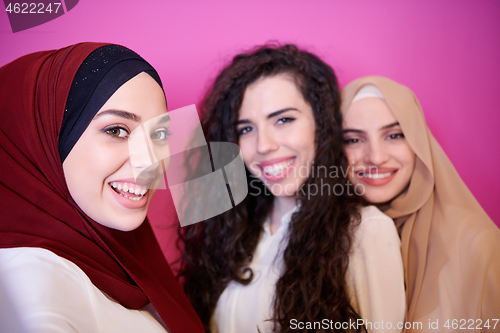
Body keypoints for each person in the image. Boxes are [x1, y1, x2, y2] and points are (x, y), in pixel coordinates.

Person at [180, 45, 405, 333]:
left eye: (284, 119)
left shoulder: (367, 231)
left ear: (322, 125)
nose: (264, 145)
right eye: (246, 129)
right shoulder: (229, 230)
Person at [0, 43, 204, 333]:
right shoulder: (32, 283)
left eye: (159, 134)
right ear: (43, 139)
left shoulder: (114, 260)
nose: (152, 162)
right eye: (117, 130)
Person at [341, 76, 500, 332]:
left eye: (394, 135)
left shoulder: (476, 243)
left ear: (419, 142)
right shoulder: (329, 240)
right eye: (353, 140)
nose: (376, 157)